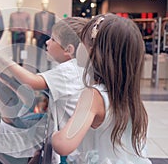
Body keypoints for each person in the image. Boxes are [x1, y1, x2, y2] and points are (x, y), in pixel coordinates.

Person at [52, 14, 152, 164]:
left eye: (81, 42)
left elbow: (64, 144)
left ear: (92, 51)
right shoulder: (129, 97)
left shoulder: (93, 95)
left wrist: (54, 135)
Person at [0, 17, 88, 164]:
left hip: (69, 146)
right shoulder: (78, 68)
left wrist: (3, 59)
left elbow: (32, 82)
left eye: (53, 39)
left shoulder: (69, 70)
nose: (47, 42)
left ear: (68, 50)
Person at [33, 0, 55, 72]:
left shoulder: (52, 15)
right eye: (43, 4)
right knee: (38, 53)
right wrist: (34, 37)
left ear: (48, 5)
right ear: (41, 5)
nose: (44, 5)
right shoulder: (37, 15)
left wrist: (53, 38)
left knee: (49, 53)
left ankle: (49, 68)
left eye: (46, 3)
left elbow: (53, 27)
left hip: (48, 36)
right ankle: (37, 69)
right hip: (39, 36)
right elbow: (35, 26)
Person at [9, 0, 31, 65]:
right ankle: (14, 66)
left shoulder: (27, 14)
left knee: (22, 51)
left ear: (23, 4)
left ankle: (21, 65)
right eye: (18, 3)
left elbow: (29, 26)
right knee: (14, 51)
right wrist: (9, 37)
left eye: (20, 3)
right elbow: (10, 25)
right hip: (14, 34)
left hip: (22, 34)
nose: (19, 5)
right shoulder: (12, 15)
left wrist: (29, 38)